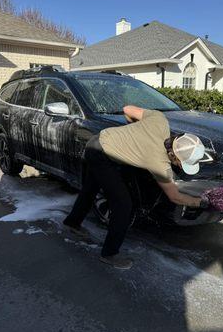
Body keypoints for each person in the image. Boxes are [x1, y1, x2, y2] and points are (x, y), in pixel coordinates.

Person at [63, 106, 209, 270]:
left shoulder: (159, 120)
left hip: (98, 141)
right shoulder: (158, 163)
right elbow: (174, 196)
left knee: (90, 189)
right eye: (181, 163)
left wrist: (133, 133)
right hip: (101, 156)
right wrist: (200, 202)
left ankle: (72, 223)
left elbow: (127, 110)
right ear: (173, 156)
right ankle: (109, 254)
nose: (181, 167)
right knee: (124, 205)